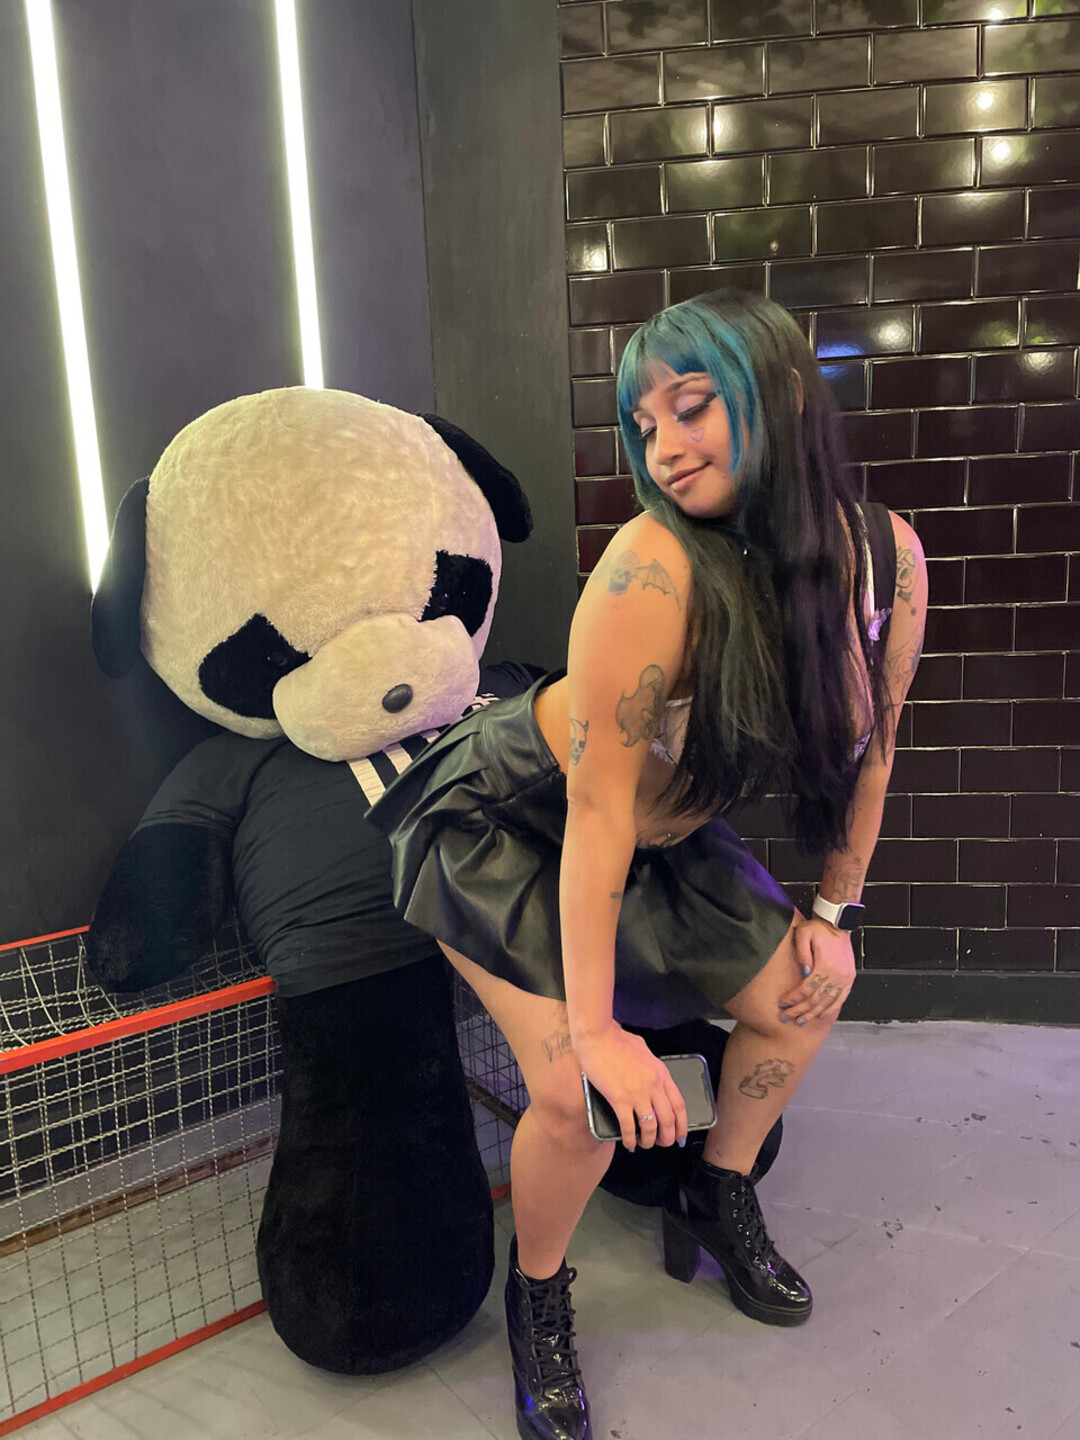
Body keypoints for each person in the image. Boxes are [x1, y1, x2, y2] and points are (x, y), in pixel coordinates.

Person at [368, 290, 927, 1440]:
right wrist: (597, 1029)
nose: (664, 446)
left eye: (693, 407)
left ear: (780, 396)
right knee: (579, 1095)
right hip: (511, 823)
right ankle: (538, 1294)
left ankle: (718, 1192)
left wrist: (834, 913)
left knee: (806, 996)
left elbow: (874, 746)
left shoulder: (884, 560)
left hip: (656, 837)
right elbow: (594, 815)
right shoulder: (652, 568)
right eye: (644, 423)